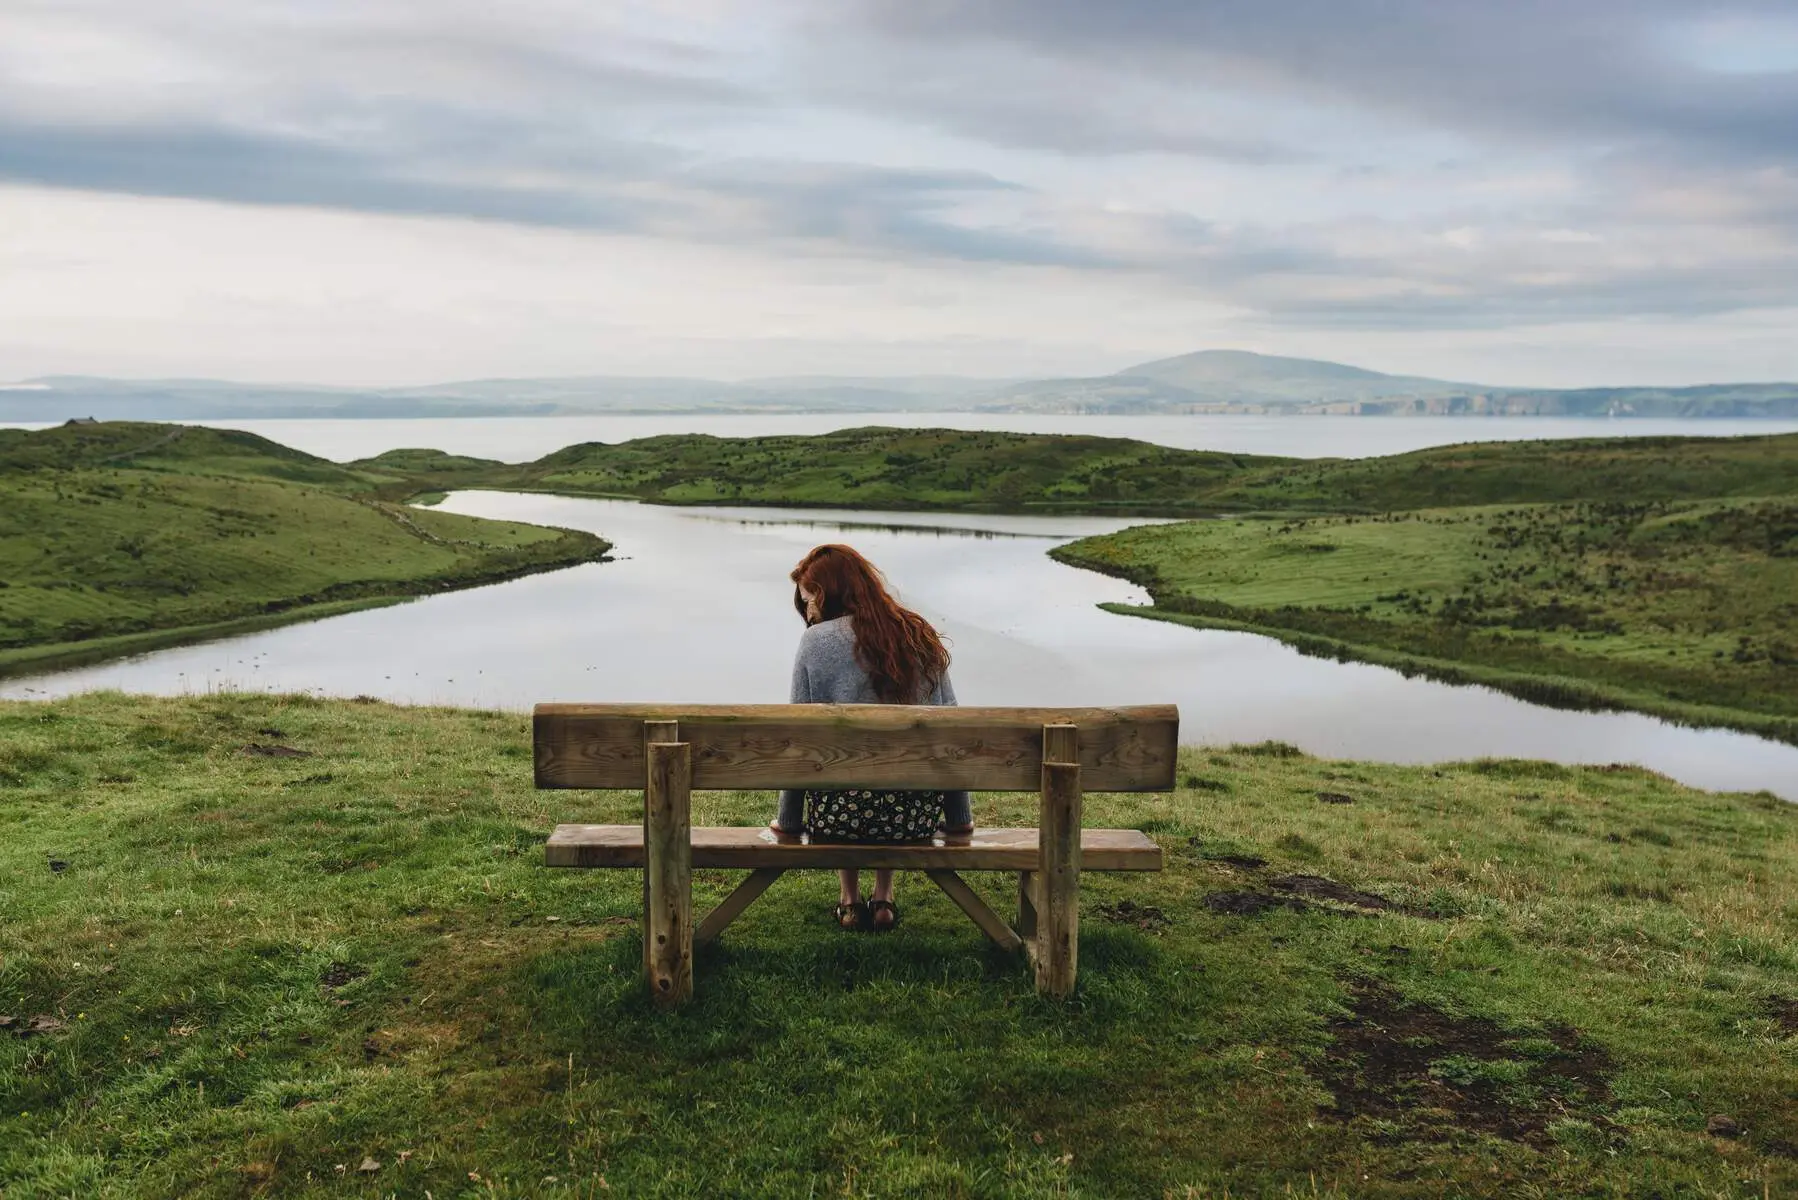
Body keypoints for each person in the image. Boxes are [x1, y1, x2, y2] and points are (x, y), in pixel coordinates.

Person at [768, 543, 973, 931]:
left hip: (839, 818)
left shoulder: (816, 643)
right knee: (891, 782)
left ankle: (848, 899)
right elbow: (952, 733)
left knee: (845, 779)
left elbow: (800, 738)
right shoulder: (917, 634)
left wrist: (789, 822)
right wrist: (959, 820)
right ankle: (884, 897)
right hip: (912, 818)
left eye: (809, 598)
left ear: (827, 593)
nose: (807, 610)